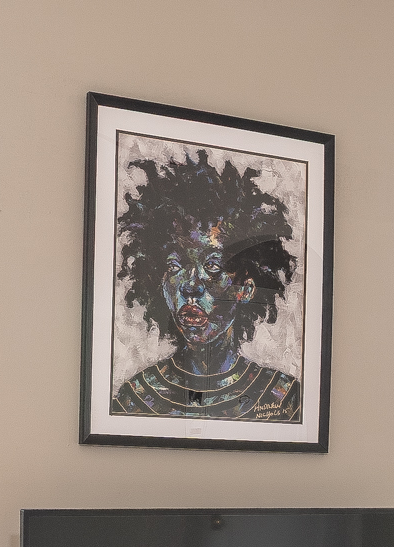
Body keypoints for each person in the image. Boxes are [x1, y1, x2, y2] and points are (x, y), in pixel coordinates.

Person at [107, 147, 305, 422]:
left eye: (212, 266)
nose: (190, 286)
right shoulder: (136, 398)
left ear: (246, 288)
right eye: (174, 266)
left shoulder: (282, 398)